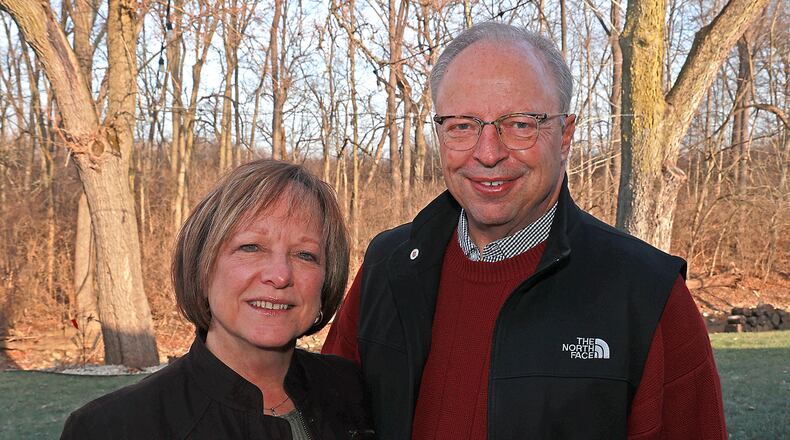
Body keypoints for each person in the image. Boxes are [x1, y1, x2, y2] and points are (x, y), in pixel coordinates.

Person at [323, 22, 726, 439]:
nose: (489, 153)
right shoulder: (387, 268)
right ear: (440, 134)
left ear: (565, 135)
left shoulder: (647, 295)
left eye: (519, 124)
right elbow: (328, 418)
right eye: (462, 125)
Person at [62, 160, 374, 439]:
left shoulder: (357, 392)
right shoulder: (112, 428)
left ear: (326, 280)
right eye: (251, 247)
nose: (280, 275)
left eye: (305, 254)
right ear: (202, 266)